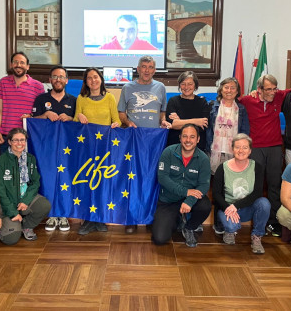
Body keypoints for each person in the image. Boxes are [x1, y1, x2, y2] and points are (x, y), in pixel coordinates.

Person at [117, 55, 169, 233]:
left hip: (154, 142)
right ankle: (131, 219)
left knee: (152, 179)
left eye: (150, 67)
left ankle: (148, 218)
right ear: (137, 69)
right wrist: (127, 122)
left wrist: (163, 121)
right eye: (144, 66)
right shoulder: (127, 87)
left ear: (154, 70)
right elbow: (121, 113)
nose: (147, 70)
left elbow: (162, 112)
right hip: (132, 141)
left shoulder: (160, 87)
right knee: (131, 178)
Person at [239, 74, 290, 237]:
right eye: (268, 89)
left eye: (275, 89)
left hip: (275, 147)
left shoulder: (279, 96)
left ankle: (273, 222)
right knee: (256, 185)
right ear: (259, 89)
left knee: (275, 184)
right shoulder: (247, 100)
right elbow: (229, 100)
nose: (273, 92)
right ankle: (257, 220)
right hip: (255, 148)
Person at [74, 67, 121, 235]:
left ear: (101, 79)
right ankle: (87, 219)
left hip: (104, 150)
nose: (93, 80)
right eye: (89, 78)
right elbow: (74, 123)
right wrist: (78, 116)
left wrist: (115, 125)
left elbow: (117, 121)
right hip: (86, 150)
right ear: (85, 82)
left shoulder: (109, 98)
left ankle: (100, 218)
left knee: (101, 184)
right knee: (87, 184)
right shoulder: (81, 98)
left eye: (96, 77)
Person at [152, 124, 212, 248]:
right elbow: (162, 178)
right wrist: (186, 192)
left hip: (190, 200)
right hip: (168, 200)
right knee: (159, 238)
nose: (188, 140)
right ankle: (178, 219)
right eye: (185, 136)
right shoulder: (168, 152)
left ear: (198, 139)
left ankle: (189, 227)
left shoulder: (203, 159)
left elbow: (204, 185)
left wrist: (189, 201)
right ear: (180, 138)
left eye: (192, 137)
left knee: (205, 206)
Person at [33, 66, 77, 232]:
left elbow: (79, 125)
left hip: (67, 150)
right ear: (50, 80)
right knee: (48, 179)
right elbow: (31, 121)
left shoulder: (73, 100)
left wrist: (71, 118)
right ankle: (51, 214)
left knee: (66, 179)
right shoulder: (40, 99)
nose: (58, 80)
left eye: (61, 77)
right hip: (46, 150)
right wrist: (45, 115)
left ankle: (63, 214)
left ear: (66, 80)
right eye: (55, 77)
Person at [0, 128, 51, 244]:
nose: (20, 143)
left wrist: (25, 200)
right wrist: (12, 212)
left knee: (44, 205)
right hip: (8, 205)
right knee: (11, 239)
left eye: (22, 140)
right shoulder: (0, 162)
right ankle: (0, 225)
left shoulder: (30, 159)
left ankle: (26, 226)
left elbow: (35, 182)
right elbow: (0, 191)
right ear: (9, 142)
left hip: (24, 200)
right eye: (16, 140)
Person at [213, 134, 269, 253]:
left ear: (250, 150)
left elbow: (257, 193)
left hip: (247, 208)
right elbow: (216, 194)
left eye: (245, 147)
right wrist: (229, 207)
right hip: (227, 209)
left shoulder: (257, 167)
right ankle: (229, 232)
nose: (241, 151)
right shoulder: (222, 168)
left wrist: (236, 206)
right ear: (232, 149)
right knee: (232, 226)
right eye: (237, 147)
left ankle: (257, 237)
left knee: (264, 203)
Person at [207, 77, 250, 234]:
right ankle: (218, 223)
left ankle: (231, 221)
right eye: (226, 87)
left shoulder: (242, 109)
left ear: (237, 91)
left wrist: (243, 152)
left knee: (231, 189)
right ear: (221, 89)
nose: (229, 90)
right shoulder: (212, 106)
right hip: (215, 153)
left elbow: (245, 132)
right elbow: (207, 129)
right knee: (217, 189)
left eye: (233, 88)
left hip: (235, 154)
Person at [0, 51, 45, 154]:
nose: (18, 65)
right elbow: (0, 108)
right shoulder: (3, 82)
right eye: (15, 62)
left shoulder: (38, 86)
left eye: (22, 62)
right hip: (6, 137)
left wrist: (30, 116)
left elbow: (40, 114)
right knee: (6, 169)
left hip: (27, 137)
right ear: (11, 65)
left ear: (27, 66)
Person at [165, 71, 211, 150]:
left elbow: (203, 125)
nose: (186, 87)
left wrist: (180, 122)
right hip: (175, 146)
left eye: (190, 84)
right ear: (179, 85)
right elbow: (173, 125)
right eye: (183, 84)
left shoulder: (202, 102)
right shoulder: (173, 101)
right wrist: (196, 121)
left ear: (195, 85)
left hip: (197, 148)